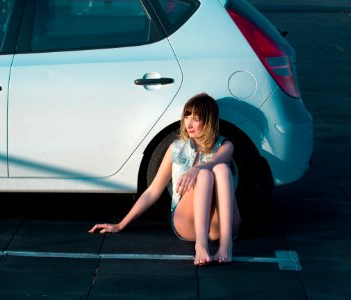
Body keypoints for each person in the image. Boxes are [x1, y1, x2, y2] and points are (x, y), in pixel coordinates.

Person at [89, 93, 241, 266]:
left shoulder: (226, 146)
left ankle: (226, 245)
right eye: (186, 117)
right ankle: (201, 245)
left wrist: (195, 169)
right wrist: (120, 224)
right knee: (205, 175)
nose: (189, 124)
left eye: (196, 119)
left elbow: (215, 161)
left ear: (209, 121)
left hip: (219, 225)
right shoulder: (175, 149)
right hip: (187, 222)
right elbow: (153, 191)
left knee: (219, 169)